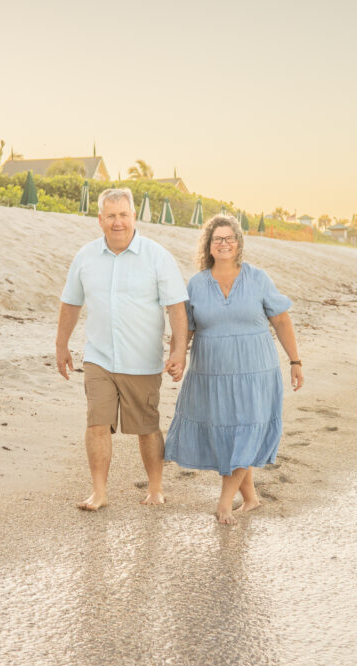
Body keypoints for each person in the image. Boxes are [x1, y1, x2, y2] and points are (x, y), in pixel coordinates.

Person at [164, 215, 303, 524]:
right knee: (229, 434)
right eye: (218, 239)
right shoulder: (197, 284)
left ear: (239, 244)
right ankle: (251, 498)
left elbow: (280, 320)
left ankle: (225, 502)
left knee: (247, 430)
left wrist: (295, 361)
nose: (224, 244)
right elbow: (183, 327)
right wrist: (177, 357)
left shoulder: (258, 278)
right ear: (209, 246)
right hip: (211, 374)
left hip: (256, 371)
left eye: (230, 239)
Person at [56, 187, 189, 511]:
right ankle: (98, 492)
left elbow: (176, 308)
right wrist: (61, 345)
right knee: (97, 424)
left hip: (142, 360)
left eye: (124, 215)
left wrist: (178, 352)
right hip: (99, 358)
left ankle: (156, 488)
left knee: (146, 427)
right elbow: (71, 303)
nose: (118, 222)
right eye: (111, 216)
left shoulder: (156, 256)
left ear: (134, 217)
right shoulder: (85, 257)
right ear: (100, 219)